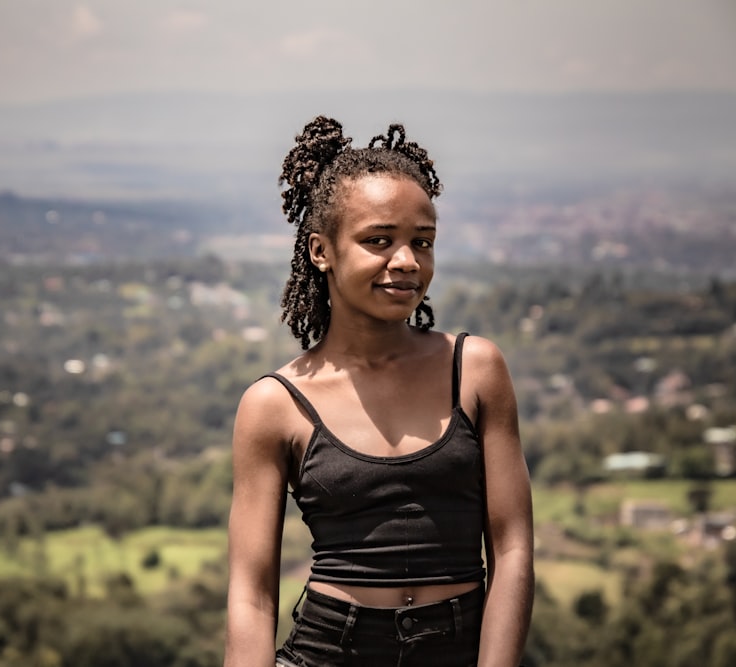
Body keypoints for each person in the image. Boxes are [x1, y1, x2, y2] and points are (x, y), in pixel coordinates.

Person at [224, 116, 534, 667]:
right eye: (378, 240)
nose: (408, 261)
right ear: (322, 251)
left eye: (423, 241)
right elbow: (252, 596)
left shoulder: (476, 369)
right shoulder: (274, 405)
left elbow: (512, 550)